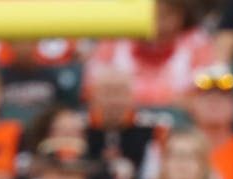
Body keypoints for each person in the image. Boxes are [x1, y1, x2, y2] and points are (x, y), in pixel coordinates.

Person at [83, 0, 215, 108]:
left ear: (181, 15)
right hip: (123, 117)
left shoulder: (197, 42)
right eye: (153, 14)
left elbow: (206, 94)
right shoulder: (115, 40)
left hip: (180, 123)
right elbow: (91, 87)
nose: (160, 23)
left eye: (167, 14)